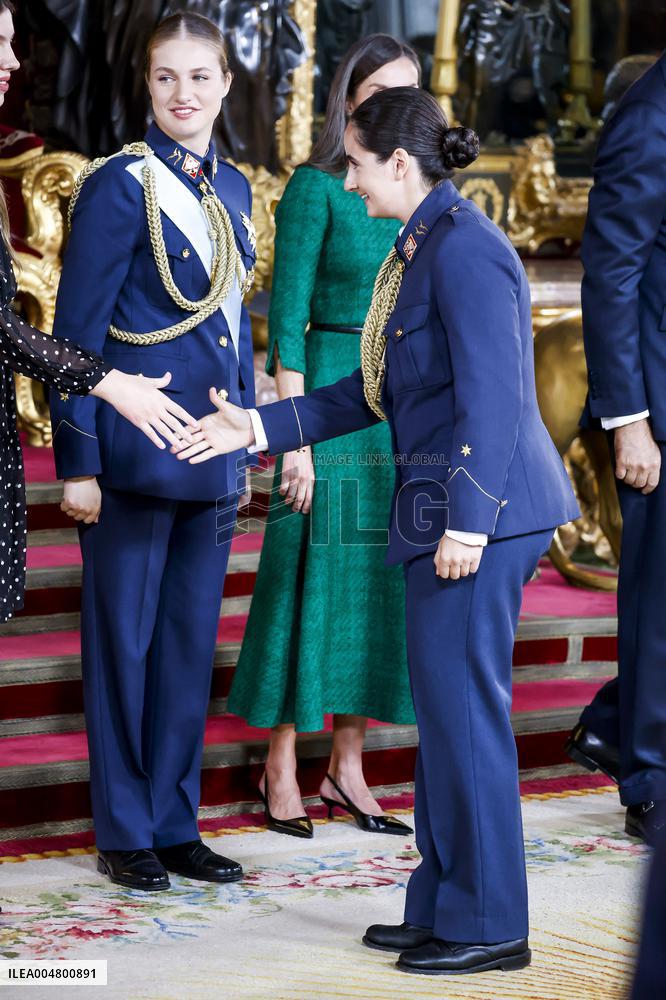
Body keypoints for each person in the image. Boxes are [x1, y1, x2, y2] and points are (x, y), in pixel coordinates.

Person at [174, 87, 579, 975]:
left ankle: (488, 926)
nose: (347, 183)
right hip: (452, 508)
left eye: (355, 163)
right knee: (444, 714)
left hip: (486, 514)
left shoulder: (464, 249)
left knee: (466, 716)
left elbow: (497, 394)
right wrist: (260, 424)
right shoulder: (424, 240)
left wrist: (471, 521)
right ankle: (442, 905)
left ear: (400, 162)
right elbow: (371, 389)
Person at [48, 12, 257, 892]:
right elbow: (72, 337)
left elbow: (234, 333)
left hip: (209, 454)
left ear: (226, 84)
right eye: (167, 77)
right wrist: (79, 464)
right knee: (123, 650)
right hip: (131, 457)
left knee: (183, 651)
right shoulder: (116, 187)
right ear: (146, 86)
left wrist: (245, 440)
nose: (184, 94)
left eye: (200, 77)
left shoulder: (239, 189)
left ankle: (175, 824)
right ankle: (125, 829)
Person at [228, 35, 420, 841]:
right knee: (307, 577)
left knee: (380, 587)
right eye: (378, 95)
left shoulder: (424, 189)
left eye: (409, 96)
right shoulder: (316, 187)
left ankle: (347, 767)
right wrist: (294, 442)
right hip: (329, 401)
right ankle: (279, 763)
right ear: (347, 101)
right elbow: (290, 326)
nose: (394, 113)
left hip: (399, 407)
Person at [0, 0, 199, 625]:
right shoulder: (118, 183)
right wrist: (108, 385)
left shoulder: (231, 187)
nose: (13, 59)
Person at [565, 52, 666, 846]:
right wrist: (627, 418)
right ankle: (651, 781)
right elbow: (611, 269)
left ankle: (609, 723)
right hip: (659, 410)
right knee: (659, 602)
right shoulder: (648, 113)